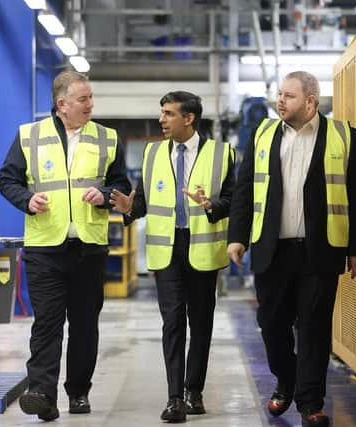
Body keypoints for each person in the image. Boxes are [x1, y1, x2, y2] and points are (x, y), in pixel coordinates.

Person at [227, 71, 356, 427]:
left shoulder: (344, 136)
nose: (280, 101)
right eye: (280, 94)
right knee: (272, 324)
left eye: (289, 96)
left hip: (320, 251)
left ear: (311, 101)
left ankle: (310, 403)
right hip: (271, 249)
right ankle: (285, 380)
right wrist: (237, 236)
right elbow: (245, 190)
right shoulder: (263, 134)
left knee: (314, 328)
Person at [0, 70, 131, 421]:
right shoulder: (30, 136)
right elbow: (7, 179)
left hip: (88, 246)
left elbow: (120, 183)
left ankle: (79, 392)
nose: (90, 104)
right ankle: (42, 392)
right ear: (62, 104)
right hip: (45, 246)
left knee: (85, 324)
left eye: (90, 98)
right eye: (83, 99)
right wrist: (27, 200)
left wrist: (103, 194)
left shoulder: (108, 138)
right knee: (47, 323)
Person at [110, 91, 235, 423]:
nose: (162, 119)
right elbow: (145, 201)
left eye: (169, 114)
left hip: (204, 249)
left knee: (202, 323)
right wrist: (129, 209)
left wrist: (212, 206)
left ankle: (195, 391)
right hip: (167, 250)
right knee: (173, 323)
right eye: (161, 113)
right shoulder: (152, 153)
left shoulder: (222, 154)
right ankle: (174, 398)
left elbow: (235, 200)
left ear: (189, 118)